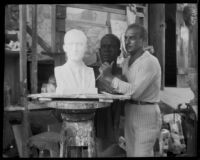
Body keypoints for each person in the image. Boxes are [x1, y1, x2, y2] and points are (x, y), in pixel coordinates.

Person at [99, 24, 162, 157]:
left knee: (142, 154)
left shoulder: (150, 62)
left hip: (146, 114)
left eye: (132, 38)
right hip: (130, 113)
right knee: (131, 154)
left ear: (143, 40)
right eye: (126, 38)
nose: (127, 42)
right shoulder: (127, 62)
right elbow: (123, 87)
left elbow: (134, 92)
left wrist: (110, 78)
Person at [90, 34, 124, 155]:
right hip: (94, 120)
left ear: (119, 52)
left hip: (116, 122)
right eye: (103, 47)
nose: (106, 50)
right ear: (99, 51)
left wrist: (109, 77)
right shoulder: (90, 71)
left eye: (111, 46)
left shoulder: (123, 73)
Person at [54, 29, 97, 94]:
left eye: (79, 44)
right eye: (71, 44)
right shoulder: (59, 71)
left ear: (85, 48)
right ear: (65, 48)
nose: (75, 49)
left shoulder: (90, 72)